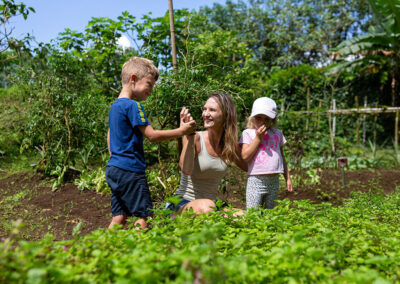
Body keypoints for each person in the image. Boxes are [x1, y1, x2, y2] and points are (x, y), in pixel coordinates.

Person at [106, 57, 196, 229]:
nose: (152, 90)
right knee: (145, 217)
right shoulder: (133, 106)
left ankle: (102, 253)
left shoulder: (115, 107)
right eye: (149, 84)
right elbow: (152, 136)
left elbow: (110, 138)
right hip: (130, 170)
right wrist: (182, 131)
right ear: (133, 79)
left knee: (120, 217)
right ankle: (142, 255)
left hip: (113, 169)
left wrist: (116, 160)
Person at [167, 93, 247, 214]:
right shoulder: (195, 138)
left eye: (212, 110)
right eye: (205, 109)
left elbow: (248, 167)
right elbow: (185, 169)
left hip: (210, 207)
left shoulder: (229, 145)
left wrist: (258, 139)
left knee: (242, 215)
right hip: (182, 203)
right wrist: (188, 135)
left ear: (225, 115)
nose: (205, 114)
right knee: (207, 205)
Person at [239, 97, 293, 210]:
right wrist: (258, 138)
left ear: (272, 120)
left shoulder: (277, 133)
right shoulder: (248, 133)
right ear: (252, 118)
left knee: (268, 214)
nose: (262, 122)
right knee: (253, 214)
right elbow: (245, 156)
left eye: (267, 119)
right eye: (258, 118)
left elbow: (282, 157)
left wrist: (287, 178)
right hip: (256, 181)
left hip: (274, 181)